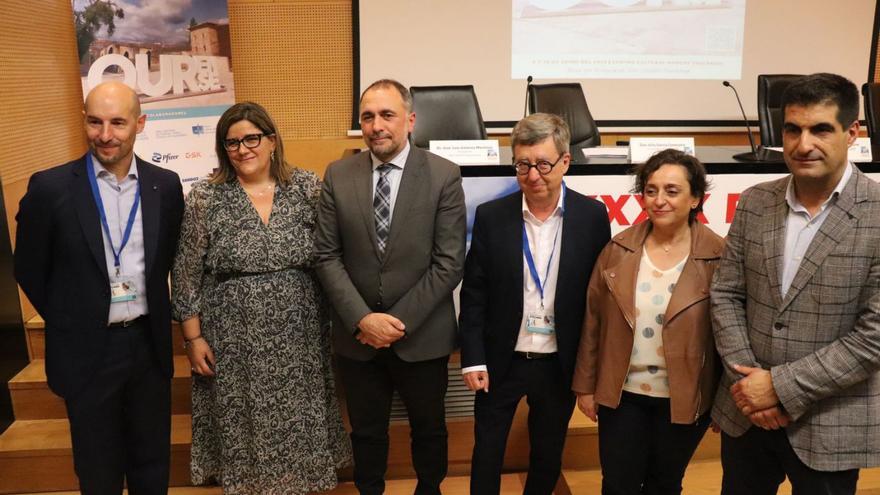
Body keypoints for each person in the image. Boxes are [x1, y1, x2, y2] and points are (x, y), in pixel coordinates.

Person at [711, 72, 880, 495]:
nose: (803, 145)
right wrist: (750, 389)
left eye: (820, 129)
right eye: (793, 129)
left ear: (851, 132)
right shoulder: (755, 201)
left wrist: (779, 388)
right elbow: (727, 295)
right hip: (746, 414)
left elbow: (874, 338)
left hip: (829, 424)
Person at [171, 101, 351, 494]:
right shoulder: (206, 197)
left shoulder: (306, 188)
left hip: (300, 334)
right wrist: (193, 337)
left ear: (271, 141)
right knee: (244, 425)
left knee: (298, 422)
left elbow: (333, 255)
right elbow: (186, 273)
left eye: (251, 138)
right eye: (232, 142)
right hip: (233, 341)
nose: (242, 149)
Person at [14, 81, 184, 494]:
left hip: (148, 347)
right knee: (97, 472)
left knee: (151, 465)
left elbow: (172, 258)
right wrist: (74, 318)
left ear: (140, 124)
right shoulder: (50, 188)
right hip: (87, 352)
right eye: (95, 121)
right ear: (84, 121)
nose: (105, 134)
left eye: (117, 123)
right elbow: (30, 268)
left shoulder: (166, 185)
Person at [314, 79, 467, 495]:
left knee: (430, 430)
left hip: (421, 336)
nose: (376, 125)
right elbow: (326, 255)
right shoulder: (338, 174)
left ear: (410, 120)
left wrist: (394, 322)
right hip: (357, 336)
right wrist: (363, 319)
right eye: (367, 116)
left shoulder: (443, 175)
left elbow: (449, 262)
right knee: (366, 433)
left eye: (387, 115)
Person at [459, 113, 611, 494]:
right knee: (487, 451)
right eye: (523, 164)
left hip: (559, 362)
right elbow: (475, 294)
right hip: (501, 360)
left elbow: (598, 302)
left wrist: (589, 372)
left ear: (565, 162)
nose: (533, 175)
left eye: (543, 163)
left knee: (547, 452)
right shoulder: (492, 217)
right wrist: (473, 357)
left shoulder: (592, 217)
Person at [572, 149, 724, 495]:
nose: (659, 200)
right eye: (651, 190)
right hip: (622, 394)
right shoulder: (618, 248)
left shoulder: (719, 255)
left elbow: (729, 335)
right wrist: (585, 386)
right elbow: (593, 320)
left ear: (696, 198)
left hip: (685, 398)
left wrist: (725, 400)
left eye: (672, 191)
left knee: (665, 483)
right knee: (617, 484)